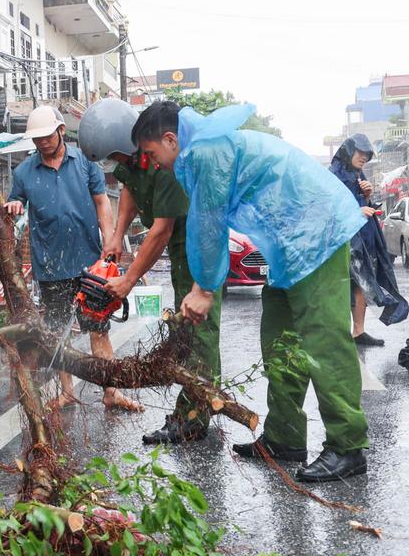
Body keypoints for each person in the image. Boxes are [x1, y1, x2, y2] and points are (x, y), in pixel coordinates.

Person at [133, 100, 370, 482]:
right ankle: (285, 437)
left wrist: (204, 290)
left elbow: (208, 223)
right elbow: (208, 222)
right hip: (289, 245)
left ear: (170, 139)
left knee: (324, 341)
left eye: (151, 153)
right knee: (280, 338)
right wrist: (202, 285)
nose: (153, 162)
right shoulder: (203, 150)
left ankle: (348, 446)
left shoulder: (207, 152)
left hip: (316, 234)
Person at [78, 98, 221, 443]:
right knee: (183, 326)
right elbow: (129, 187)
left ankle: (194, 415)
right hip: (180, 246)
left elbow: (161, 231)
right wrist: (115, 237)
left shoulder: (166, 164)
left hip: (194, 243)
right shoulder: (137, 158)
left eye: (119, 157)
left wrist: (128, 281)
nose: (120, 164)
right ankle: (195, 405)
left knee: (196, 329)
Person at [6, 105, 143, 412]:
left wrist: (110, 238)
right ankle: (67, 391)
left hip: (88, 264)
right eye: (36, 138)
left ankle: (111, 390)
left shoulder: (84, 161)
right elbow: (16, 200)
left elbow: (101, 202)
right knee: (57, 333)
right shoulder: (24, 172)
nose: (42, 142)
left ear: (61, 131)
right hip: (50, 266)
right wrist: (14, 204)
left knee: (99, 328)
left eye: (46, 136)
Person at [329, 134, 408, 346]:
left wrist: (366, 196)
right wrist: (357, 209)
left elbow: (362, 206)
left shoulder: (358, 174)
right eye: (361, 153)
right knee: (342, 285)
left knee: (361, 283)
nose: (364, 158)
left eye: (367, 155)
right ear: (348, 151)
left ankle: (359, 331)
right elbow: (329, 210)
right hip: (342, 241)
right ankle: (340, 334)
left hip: (362, 239)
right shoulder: (333, 176)